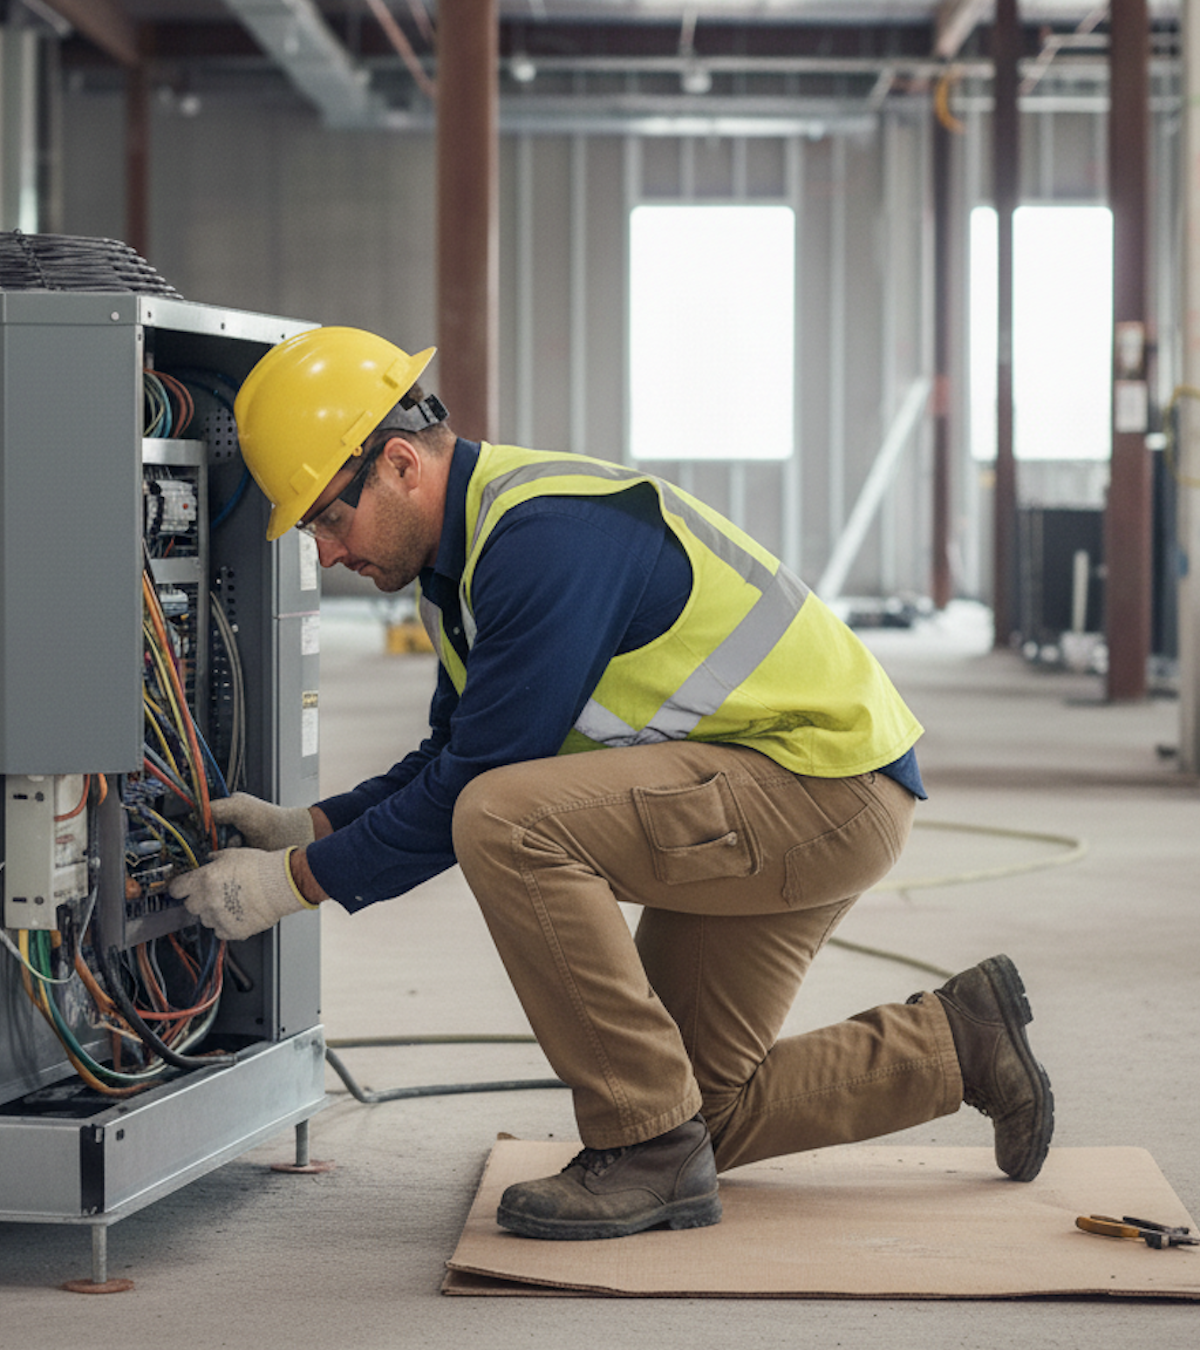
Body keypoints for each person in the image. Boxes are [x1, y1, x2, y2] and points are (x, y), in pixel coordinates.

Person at [171, 327, 1054, 1242]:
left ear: (398, 464)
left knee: (504, 822)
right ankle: (961, 1042)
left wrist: (292, 886)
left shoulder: (545, 540)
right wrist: (303, 826)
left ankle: (643, 1155)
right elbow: (450, 749)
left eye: (326, 517)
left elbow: (476, 782)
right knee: (696, 1110)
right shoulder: (464, 567)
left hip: (820, 792)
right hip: (768, 795)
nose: (323, 553)